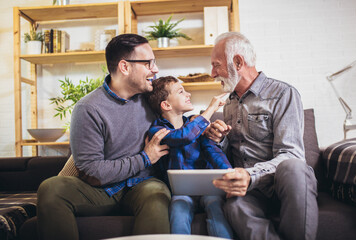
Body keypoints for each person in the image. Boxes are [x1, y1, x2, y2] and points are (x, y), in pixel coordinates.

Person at [36, 34, 172, 240]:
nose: (155, 69)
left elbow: (182, 121)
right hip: (101, 191)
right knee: (52, 188)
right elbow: (92, 171)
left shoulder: (152, 98)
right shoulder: (88, 109)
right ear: (124, 67)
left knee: (156, 193)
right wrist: (144, 158)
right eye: (148, 63)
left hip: (143, 185)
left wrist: (209, 128)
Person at [205, 32, 318, 240]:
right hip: (252, 191)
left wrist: (250, 175)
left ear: (237, 62)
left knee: (294, 167)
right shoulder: (229, 103)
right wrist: (219, 140)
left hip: (283, 182)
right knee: (235, 205)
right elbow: (232, 154)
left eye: (216, 65)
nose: (212, 73)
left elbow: (291, 154)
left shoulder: (283, 94)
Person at [146, 76, 234, 239]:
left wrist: (229, 172)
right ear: (166, 105)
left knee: (215, 204)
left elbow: (213, 151)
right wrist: (210, 110)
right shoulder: (157, 131)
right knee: (179, 209)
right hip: (180, 192)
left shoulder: (196, 125)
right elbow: (183, 136)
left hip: (207, 188)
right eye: (181, 91)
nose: (188, 94)